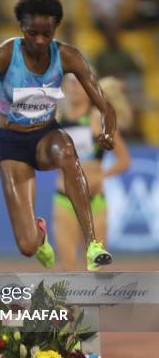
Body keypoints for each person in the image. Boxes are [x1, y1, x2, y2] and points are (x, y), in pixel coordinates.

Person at [0, 0, 117, 271]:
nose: (41, 41)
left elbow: (105, 105)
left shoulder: (67, 56)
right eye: (33, 34)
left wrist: (108, 131)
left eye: (48, 33)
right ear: (22, 28)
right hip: (11, 145)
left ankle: (93, 244)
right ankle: (40, 234)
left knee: (68, 152)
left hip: (46, 136)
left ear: (56, 29)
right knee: (27, 246)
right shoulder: (3, 56)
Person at [53, 75, 131, 270]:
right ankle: (70, 301)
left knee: (95, 268)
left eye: (80, 84)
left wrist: (100, 176)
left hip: (94, 201)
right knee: (68, 267)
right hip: (65, 201)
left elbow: (124, 161)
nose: (75, 88)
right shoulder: (57, 119)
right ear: (65, 88)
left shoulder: (96, 118)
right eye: (71, 83)